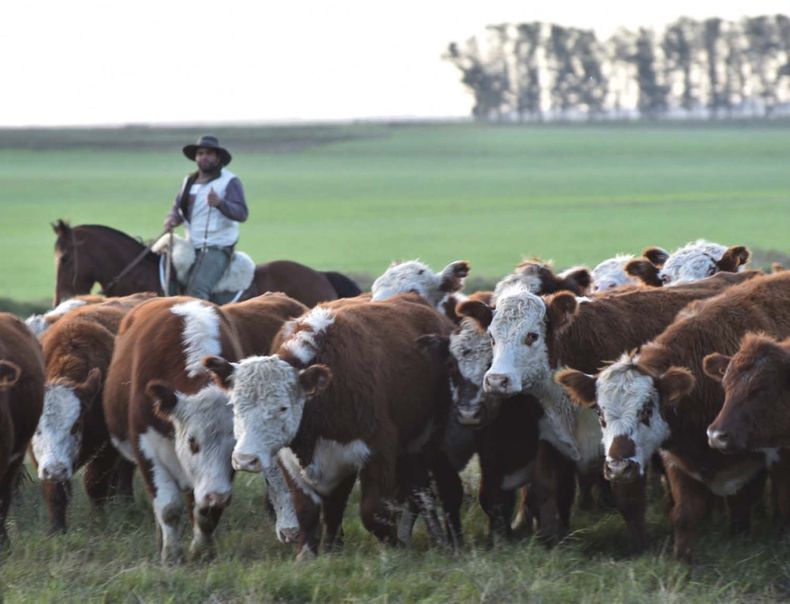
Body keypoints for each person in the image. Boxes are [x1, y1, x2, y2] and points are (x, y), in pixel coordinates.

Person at [163, 135, 248, 300]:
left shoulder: (230, 181)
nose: (204, 157)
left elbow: (242, 213)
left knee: (197, 290)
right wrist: (171, 219)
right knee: (166, 279)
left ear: (218, 158)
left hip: (218, 246)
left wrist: (220, 203)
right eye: (200, 153)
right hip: (191, 244)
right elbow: (178, 208)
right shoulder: (189, 181)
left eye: (209, 153)